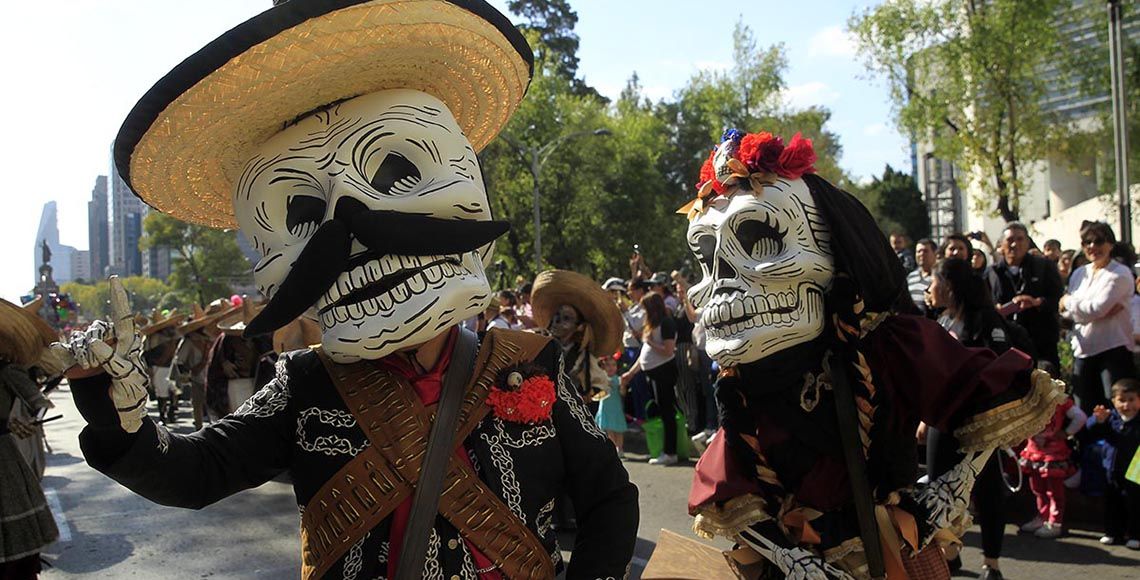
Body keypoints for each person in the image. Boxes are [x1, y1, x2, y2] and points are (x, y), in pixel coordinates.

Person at [49, 2, 638, 578]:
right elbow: (197, 471)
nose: (352, 225)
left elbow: (608, 499)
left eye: (398, 172)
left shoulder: (531, 364)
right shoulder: (305, 386)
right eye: (302, 208)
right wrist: (115, 423)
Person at [678, 128, 1063, 578]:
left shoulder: (888, 344)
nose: (719, 283)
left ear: (835, 249)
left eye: (762, 239)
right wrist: (793, 558)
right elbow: (730, 486)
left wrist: (947, 492)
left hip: (896, 550)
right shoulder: (744, 381)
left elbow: (986, 395)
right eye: (706, 258)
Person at [922, 257, 1034, 580]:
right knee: (940, 490)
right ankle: (949, 553)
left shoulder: (987, 321)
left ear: (949, 286)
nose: (929, 288)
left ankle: (992, 562)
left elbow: (998, 368)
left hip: (979, 424)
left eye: (933, 281)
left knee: (987, 491)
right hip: (941, 421)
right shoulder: (941, 323)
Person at [0, 299, 59, 579]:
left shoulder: (6, 370)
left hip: (3, 462)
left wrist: (25, 420)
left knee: (17, 554)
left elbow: (38, 402)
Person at [1061, 221, 1137, 413]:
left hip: (1112, 349)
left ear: (1110, 244)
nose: (1092, 247)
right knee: (1084, 408)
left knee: (1114, 409)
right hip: (1084, 350)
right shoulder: (1079, 273)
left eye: (1098, 241)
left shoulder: (1120, 274)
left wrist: (1069, 301)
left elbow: (1095, 308)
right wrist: (1086, 312)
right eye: (1087, 242)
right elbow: (1066, 313)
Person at [993, 221, 1065, 367]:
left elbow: (1058, 299)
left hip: (1041, 340)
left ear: (1027, 242)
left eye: (1020, 239)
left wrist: (1036, 302)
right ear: (1001, 244)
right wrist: (996, 309)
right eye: (1010, 240)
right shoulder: (992, 273)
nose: (1015, 244)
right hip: (1007, 343)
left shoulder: (1044, 266)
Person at [621, 293, 680, 466]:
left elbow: (669, 350)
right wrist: (631, 373)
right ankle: (664, 449)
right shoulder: (652, 324)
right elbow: (644, 355)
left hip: (664, 373)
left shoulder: (666, 323)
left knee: (667, 412)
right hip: (653, 374)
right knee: (661, 412)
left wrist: (650, 342)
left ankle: (671, 452)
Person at [1018, 395, 1086, 539]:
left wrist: (1066, 433)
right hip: (1033, 452)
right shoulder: (1030, 398)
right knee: (1037, 489)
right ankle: (1042, 516)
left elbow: (1080, 417)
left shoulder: (1060, 400)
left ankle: (1055, 522)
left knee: (1054, 491)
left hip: (1053, 454)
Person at [1087, 378, 1140, 549]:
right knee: (1112, 501)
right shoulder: (1110, 418)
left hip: (1135, 470)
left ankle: (1135, 534)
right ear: (1113, 401)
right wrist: (1098, 420)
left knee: (1134, 503)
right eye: (1122, 400)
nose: (1127, 405)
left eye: (1131, 400)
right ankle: (1112, 532)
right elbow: (1089, 430)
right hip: (1111, 469)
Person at [595, 355, 628, 457]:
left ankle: (620, 448)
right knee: (609, 430)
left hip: (616, 408)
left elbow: (623, 394)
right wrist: (604, 386)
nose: (611, 367)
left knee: (618, 430)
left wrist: (622, 386)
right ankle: (613, 448)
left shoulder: (618, 379)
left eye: (613, 365)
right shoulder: (601, 379)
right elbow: (597, 395)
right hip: (605, 407)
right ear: (603, 367)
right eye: (608, 365)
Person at [907, 237, 937, 315]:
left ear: (935, 254)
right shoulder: (910, 277)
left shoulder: (939, 278)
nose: (921, 254)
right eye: (918, 251)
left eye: (925, 251)